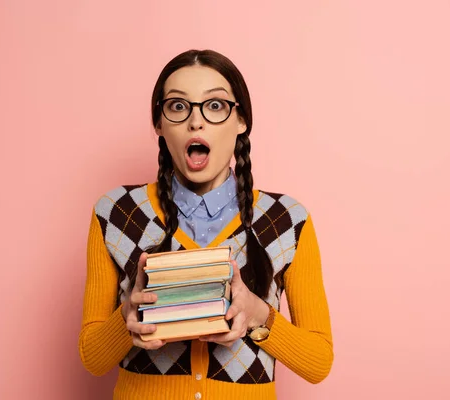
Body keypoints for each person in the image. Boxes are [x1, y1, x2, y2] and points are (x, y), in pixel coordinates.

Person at [78, 49, 333, 399]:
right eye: (179, 106)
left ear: (241, 120)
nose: (195, 122)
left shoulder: (286, 220)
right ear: (159, 123)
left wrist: (260, 316)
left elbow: (318, 362)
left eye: (214, 106)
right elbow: (92, 358)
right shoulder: (118, 213)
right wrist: (127, 318)